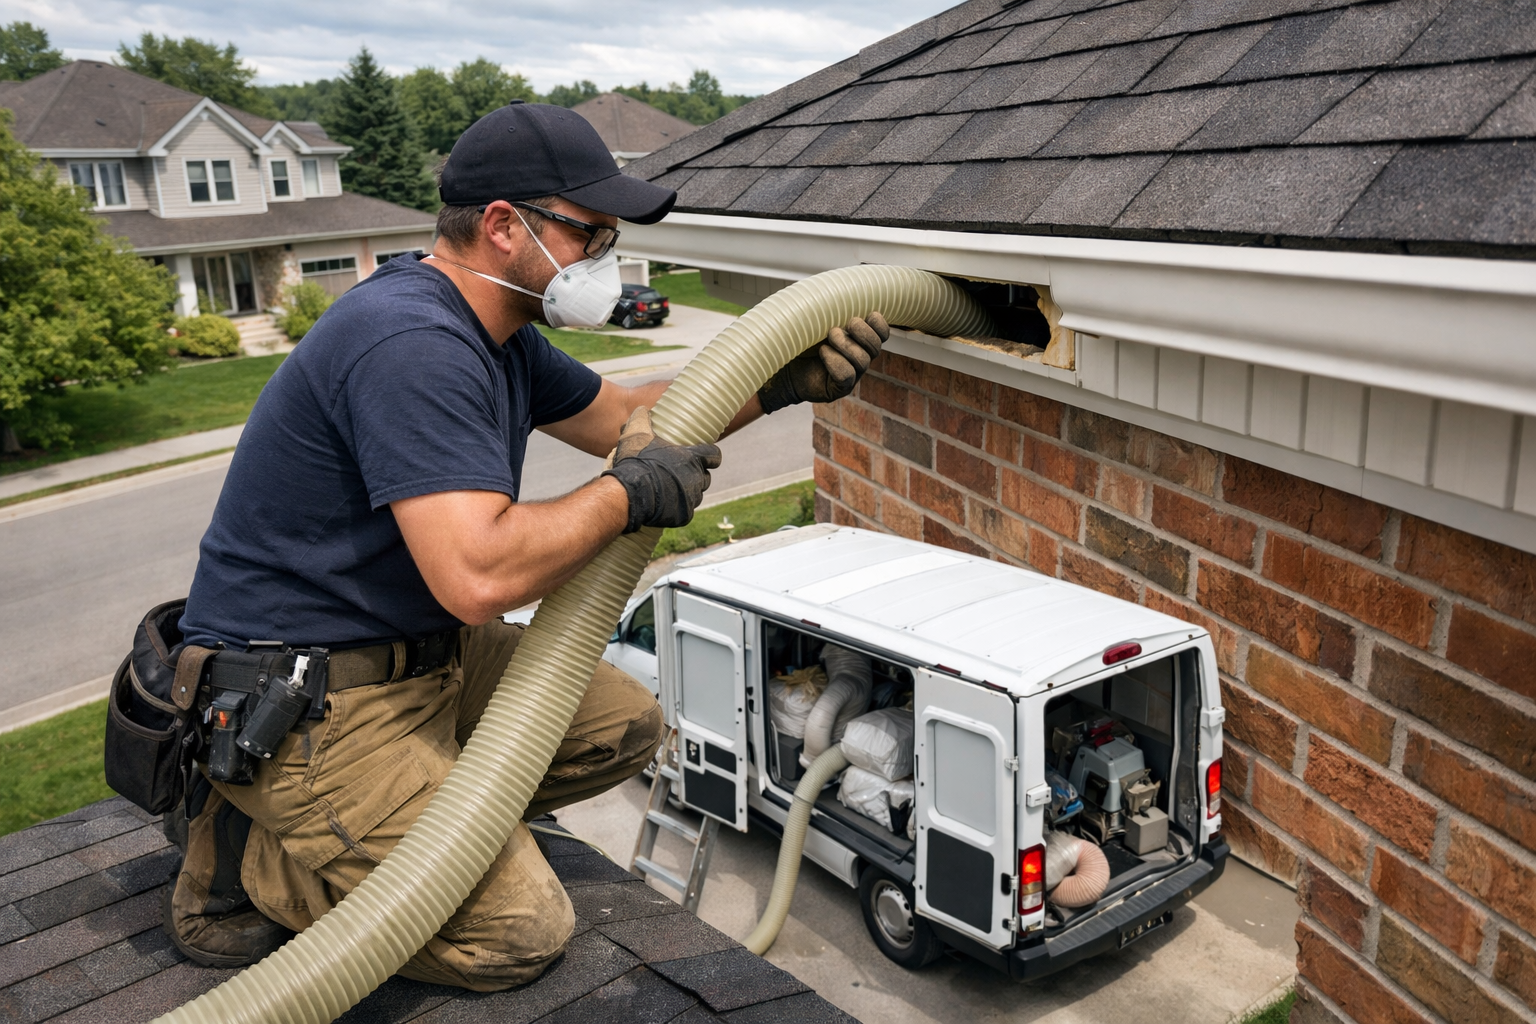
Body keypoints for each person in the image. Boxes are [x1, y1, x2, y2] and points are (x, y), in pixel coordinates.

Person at [165, 100, 891, 991]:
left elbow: (626, 418)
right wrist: (624, 497)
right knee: (517, 932)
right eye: (590, 234)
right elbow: (479, 572)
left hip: (425, 656)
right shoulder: (412, 342)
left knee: (624, 728)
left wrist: (780, 382)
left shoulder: (497, 332)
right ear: (505, 226)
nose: (603, 260)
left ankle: (414, 827)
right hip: (313, 699)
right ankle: (259, 853)